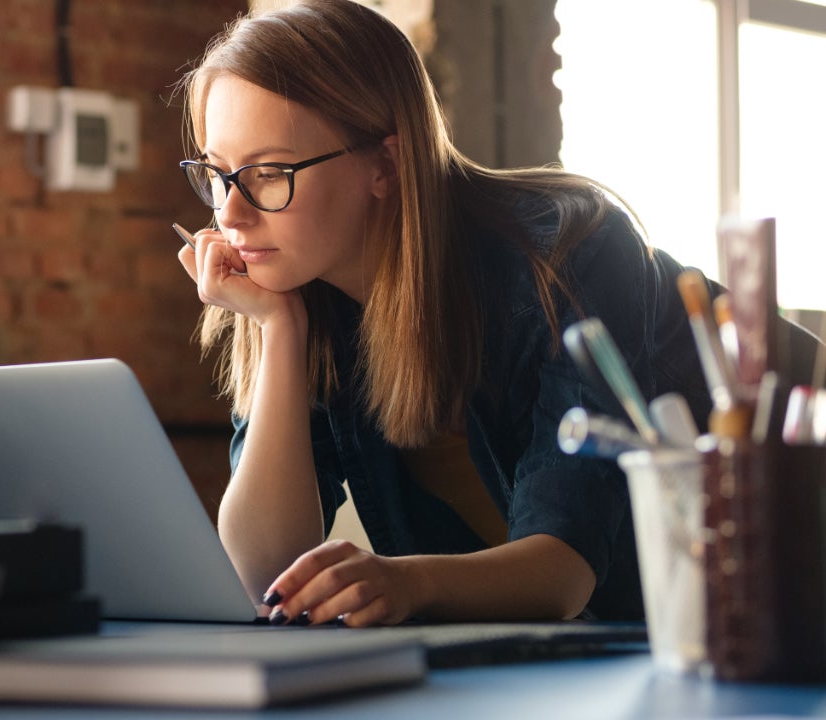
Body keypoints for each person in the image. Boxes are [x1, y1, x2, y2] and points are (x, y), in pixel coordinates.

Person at [172, 0, 719, 626]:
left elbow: (567, 572)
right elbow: (267, 574)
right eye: (216, 175)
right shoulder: (303, 290)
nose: (230, 215)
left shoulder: (569, 253)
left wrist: (407, 584)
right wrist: (280, 329)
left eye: (269, 173)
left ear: (386, 164)